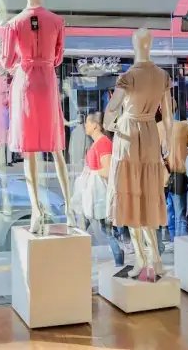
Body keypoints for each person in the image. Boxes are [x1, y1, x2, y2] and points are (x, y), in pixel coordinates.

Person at [71, 112, 126, 266]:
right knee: (86, 227)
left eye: (88, 123)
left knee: (105, 230)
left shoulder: (103, 144)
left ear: (95, 125)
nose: (85, 126)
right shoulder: (98, 143)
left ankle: (118, 259)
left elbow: (108, 171)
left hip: (99, 195)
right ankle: (77, 258)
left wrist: (92, 172)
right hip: (93, 195)